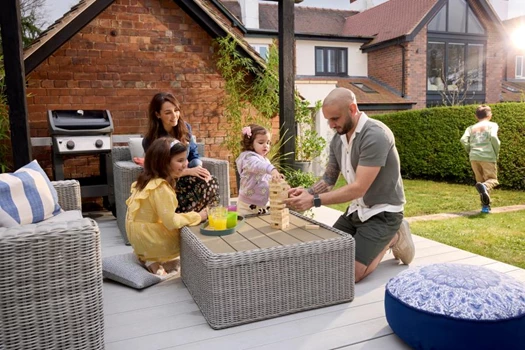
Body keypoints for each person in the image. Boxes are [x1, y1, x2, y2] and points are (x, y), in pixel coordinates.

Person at [284, 87, 414, 283]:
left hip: (383, 213)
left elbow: (358, 188)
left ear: (352, 109)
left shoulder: (375, 135)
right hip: (357, 211)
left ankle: (393, 237)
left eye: (335, 119)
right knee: (325, 258)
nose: (330, 125)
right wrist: (306, 192)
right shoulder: (338, 139)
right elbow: (329, 180)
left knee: (350, 274)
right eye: (328, 119)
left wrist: (314, 201)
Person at [126, 137, 207, 275]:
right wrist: (198, 216)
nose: (185, 164)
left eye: (185, 159)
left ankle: (151, 259)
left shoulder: (146, 180)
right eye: (180, 160)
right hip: (149, 238)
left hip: (136, 237)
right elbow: (171, 222)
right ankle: (159, 257)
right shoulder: (161, 187)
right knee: (187, 231)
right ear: (163, 163)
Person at [136, 92, 220, 213]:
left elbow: (193, 155)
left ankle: (211, 216)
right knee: (204, 183)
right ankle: (191, 216)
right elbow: (159, 171)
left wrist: (198, 170)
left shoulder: (185, 128)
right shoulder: (150, 140)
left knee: (210, 179)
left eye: (176, 110)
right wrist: (189, 171)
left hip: (186, 173)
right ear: (157, 114)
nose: (174, 115)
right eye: (168, 112)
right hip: (167, 180)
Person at [460, 104, 500, 213]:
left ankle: (485, 207)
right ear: (489, 115)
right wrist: (496, 152)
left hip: (474, 157)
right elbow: (493, 138)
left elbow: (463, 140)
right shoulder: (492, 125)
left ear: (476, 116)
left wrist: (470, 150)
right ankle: (485, 194)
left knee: (481, 184)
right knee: (492, 180)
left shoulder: (471, 128)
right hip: (487, 156)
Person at [235, 124, 283, 215]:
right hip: (247, 205)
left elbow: (266, 178)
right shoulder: (248, 158)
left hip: (263, 204)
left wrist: (276, 179)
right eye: (261, 143)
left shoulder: (265, 160)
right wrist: (273, 170)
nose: (266, 146)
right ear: (251, 144)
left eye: (268, 142)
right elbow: (259, 166)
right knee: (247, 226)